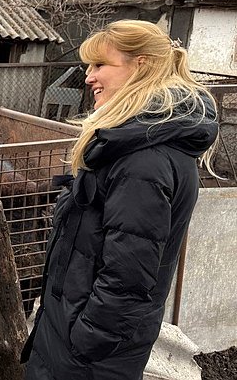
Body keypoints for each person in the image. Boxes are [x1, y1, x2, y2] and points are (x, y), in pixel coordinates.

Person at [21, 20, 219, 380]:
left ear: (140, 66)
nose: (88, 78)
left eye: (100, 65)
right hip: (73, 341)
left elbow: (127, 278)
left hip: (87, 358)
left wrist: (85, 341)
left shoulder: (144, 161)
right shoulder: (132, 146)